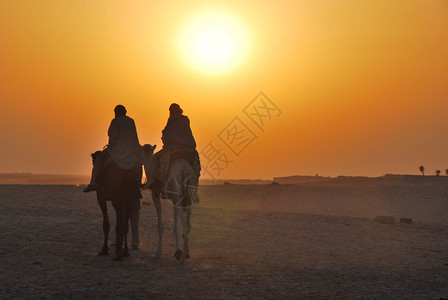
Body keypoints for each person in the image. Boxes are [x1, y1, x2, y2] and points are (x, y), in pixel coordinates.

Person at [83, 105, 142, 192]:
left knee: (99, 159)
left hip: (117, 151)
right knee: (139, 163)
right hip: (131, 151)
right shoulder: (131, 121)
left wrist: (111, 144)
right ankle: (138, 184)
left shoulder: (115, 121)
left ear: (116, 112)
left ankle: (92, 183)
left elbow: (113, 138)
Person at [144, 103, 200, 190]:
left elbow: (168, 133)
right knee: (196, 163)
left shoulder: (171, 119)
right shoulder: (185, 119)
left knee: (155, 158)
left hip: (172, 148)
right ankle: (195, 182)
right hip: (188, 148)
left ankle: (150, 181)